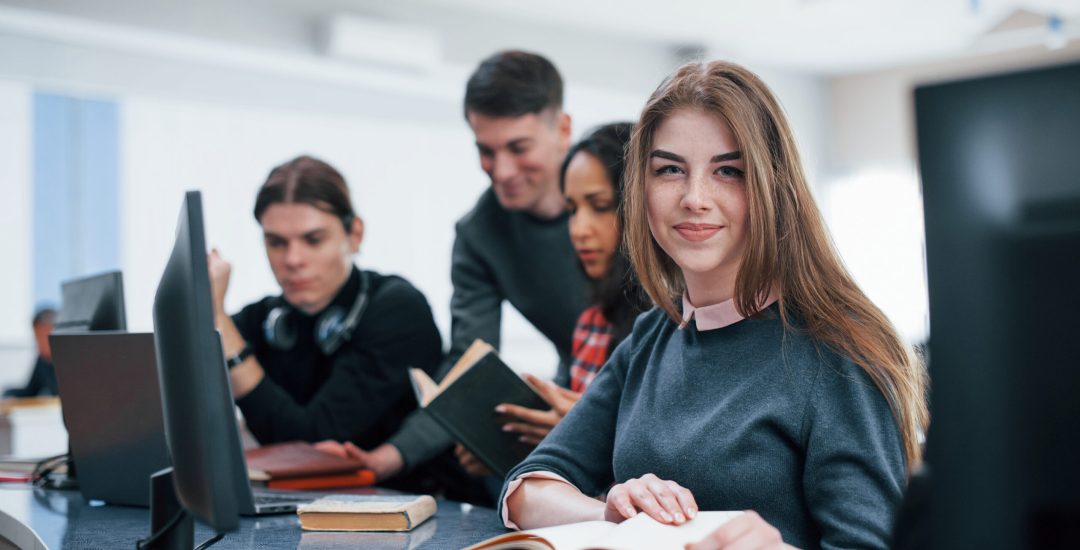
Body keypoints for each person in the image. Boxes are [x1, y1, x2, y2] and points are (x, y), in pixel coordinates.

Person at [501, 61, 929, 550]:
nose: (694, 198)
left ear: (772, 187)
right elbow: (525, 489)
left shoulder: (839, 353)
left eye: (728, 171)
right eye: (670, 170)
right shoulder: (653, 336)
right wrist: (614, 514)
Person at [347, 50, 590, 486]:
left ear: (563, 129)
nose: (502, 171)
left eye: (519, 148)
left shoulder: (632, 189)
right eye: (486, 150)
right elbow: (468, 364)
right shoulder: (479, 234)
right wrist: (387, 458)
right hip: (575, 398)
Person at [208, 155, 450, 492]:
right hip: (304, 508)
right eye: (276, 242)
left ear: (355, 234)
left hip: (414, 507)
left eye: (313, 240)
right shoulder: (263, 317)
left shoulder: (398, 309)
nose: (293, 260)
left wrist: (222, 327)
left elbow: (309, 447)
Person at [493, 122, 651, 448]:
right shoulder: (592, 322)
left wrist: (585, 431)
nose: (579, 230)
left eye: (600, 206)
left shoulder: (676, 327)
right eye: (572, 210)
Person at [3, 308, 59, 398]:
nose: (39, 342)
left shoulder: (66, 362)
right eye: (37, 337)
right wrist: (8, 393)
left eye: (43, 337)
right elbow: (30, 391)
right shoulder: (42, 361)